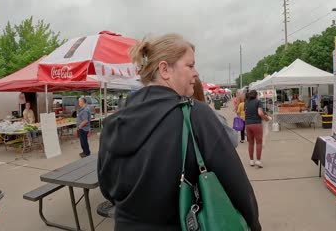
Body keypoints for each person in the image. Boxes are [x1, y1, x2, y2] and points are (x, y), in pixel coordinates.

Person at [97, 34, 261, 230]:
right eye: (190, 66)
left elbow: (107, 189)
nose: (196, 73)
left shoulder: (113, 123)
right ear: (165, 69)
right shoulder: (195, 115)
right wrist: (253, 225)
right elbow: (238, 189)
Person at [245, 90, 270, 168]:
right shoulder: (258, 102)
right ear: (256, 95)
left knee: (251, 143)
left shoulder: (246, 103)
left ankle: (251, 161)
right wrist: (266, 118)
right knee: (259, 142)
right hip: (256, 124)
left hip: (248, 125)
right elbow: (260, 113)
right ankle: (258, 161)